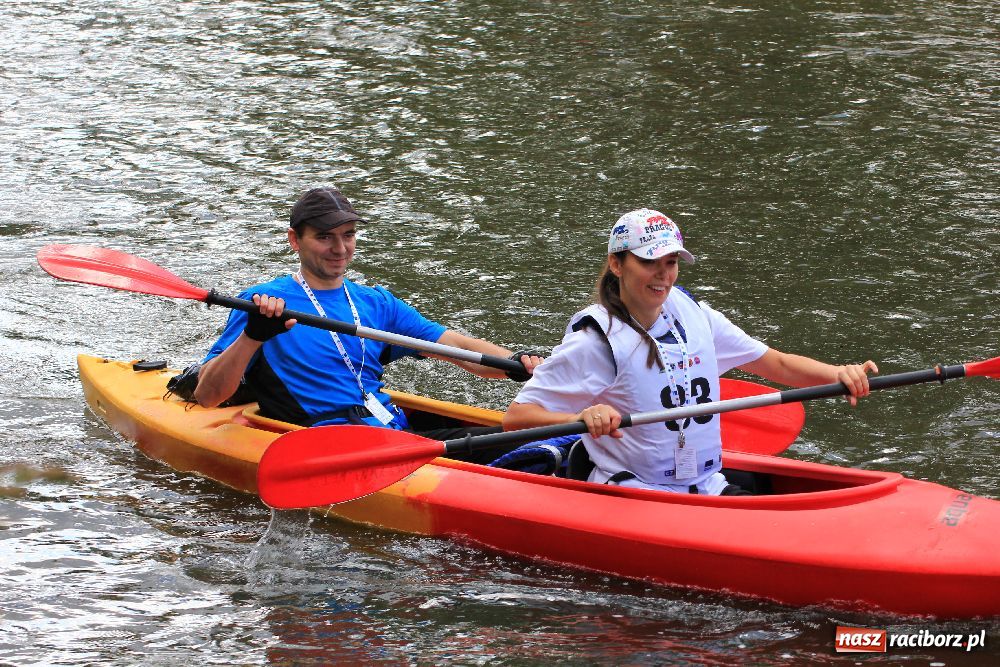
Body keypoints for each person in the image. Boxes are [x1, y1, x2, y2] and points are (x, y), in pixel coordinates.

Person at [503, 208, 878, 495]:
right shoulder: (595, 341)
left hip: (705, 482)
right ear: (617, 264)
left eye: (671, 263)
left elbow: (773, 362)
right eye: (649, 262)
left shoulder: (694, 315)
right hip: (631, 488)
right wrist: (581, 415)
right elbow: (516, 419)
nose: (663, 275)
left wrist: (836, 374)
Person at [194, 186, 542, 462]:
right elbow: (208, 396)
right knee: (528, 447)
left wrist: (522, 364)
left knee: (540, 440)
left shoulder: (376, 303)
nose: (340, 248)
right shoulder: (262, 304)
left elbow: (459, 349)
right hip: (338, 446)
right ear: (294, 240)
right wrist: (253, 337)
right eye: (324, 237)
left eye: (348, 234)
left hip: (393, 434)